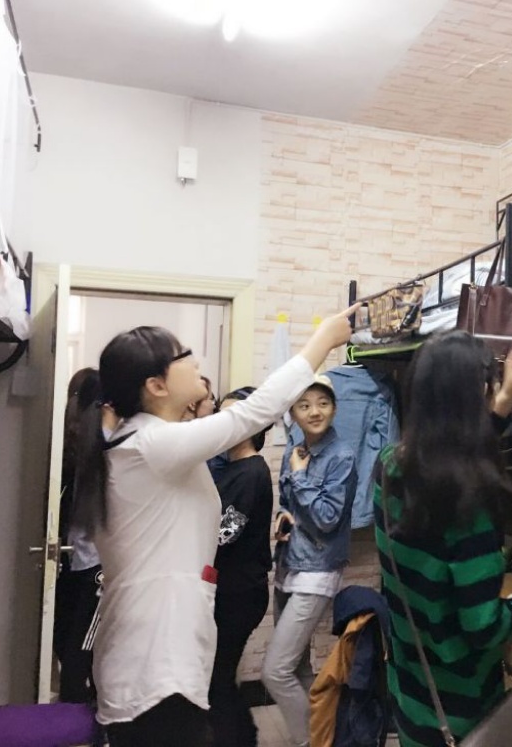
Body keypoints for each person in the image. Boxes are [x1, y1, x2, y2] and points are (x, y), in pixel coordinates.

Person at [71, 306, 357, 747]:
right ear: (156, 385)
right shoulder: (153, 444)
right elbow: (250, 414)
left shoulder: (148, 440)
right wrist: (324, 340)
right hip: (156, 660)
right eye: (183, 355)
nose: (195, 361)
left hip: (157, 652)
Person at [374, 331, 512, 747]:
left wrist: (504, 400)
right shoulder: (471, 504)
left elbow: (455, 453)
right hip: (461, 711)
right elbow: (482, 627)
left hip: (411, 692)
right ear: (477, 394)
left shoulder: (389, 467)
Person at [262, 374, 357, 747]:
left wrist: (300, 478)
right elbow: (291, 504)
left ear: (334, 408)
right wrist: (283, 516)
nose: (314, 412)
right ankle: (325, 737)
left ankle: (310, 743)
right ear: (293, 413)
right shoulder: (295, 449)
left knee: (275, 672)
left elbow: (328, 518)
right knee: (297, 667)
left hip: (317, 570)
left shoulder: (342, 456)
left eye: (322, 403)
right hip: (289, 564)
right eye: (304, 405)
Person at [207, 387, 274, 747]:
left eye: (233, 417)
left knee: (217, 680)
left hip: (240, 594)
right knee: (219, 678)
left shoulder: (250, 472)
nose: (223, 423)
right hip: (231, 591)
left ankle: (241, 739)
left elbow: (226, 533)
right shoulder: (233, 467)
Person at [53, 367, 117, 704]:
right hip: (72, 559)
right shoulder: (69, 448)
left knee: (79, 653)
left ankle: (81, 719)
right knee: (68, 646)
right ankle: (76, 717)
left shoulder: (108, 447)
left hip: (96, 567)